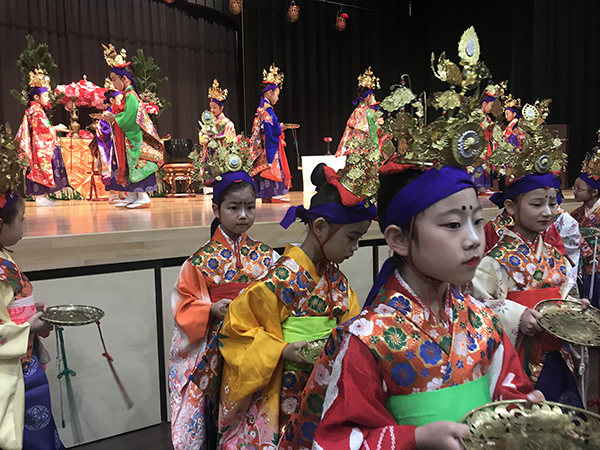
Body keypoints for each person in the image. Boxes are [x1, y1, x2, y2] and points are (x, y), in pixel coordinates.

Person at [279, 162, 543, 450]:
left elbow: (509, 388)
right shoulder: (368, 339)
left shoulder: (483, 320)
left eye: (478, 222)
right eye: (453, 224)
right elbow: (339, 441)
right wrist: (414, 440)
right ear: (399, 238)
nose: (473, 240)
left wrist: (521, 409)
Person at [209, 162, 376, 449]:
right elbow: (236, 329)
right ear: (321, 227)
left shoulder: (336, 280)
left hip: (325, 383)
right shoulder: (281, 279)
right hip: (284, 387)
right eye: (352, 237)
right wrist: (282, 350)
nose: (355, 248)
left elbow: (351, 328)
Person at [169, 137, 278, 450]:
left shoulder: (266, 256)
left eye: (249, 207)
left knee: (255, 405)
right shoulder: (199, 260)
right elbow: (183, 305)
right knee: (219, 407)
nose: (243, 215)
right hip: (219, 346)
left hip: (256, 342)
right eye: (234, 207)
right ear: (216, 208)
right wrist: (210, 309)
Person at [472, 170, 589, 407]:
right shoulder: (493, 261)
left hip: (556, 354)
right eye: (537, 204)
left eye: (553, 203)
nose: (547, 212)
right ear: (511, 207)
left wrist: (576, 309)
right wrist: (516, 316)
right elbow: (477, 308)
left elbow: (565, 297)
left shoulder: (556, 257)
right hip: (517, 359)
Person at [0, 149, 65, 450]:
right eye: (21, 220)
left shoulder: (4, 261)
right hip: (13, 368)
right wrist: (29, 325)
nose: (24, 227)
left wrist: (30, 313)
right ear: (2, 225)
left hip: (26, 361)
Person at [101, 44, 164, 209]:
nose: (113, 83)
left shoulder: (131, 97)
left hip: (134, 139)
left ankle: (142, 196)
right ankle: (133, 195)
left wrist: (115, 118)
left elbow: (129, 118)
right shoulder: (126, 96)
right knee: (129, 167)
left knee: (136, 166)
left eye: (115, 79)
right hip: (128, 138)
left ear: (125, 79)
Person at [16, 68, 70, 207]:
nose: (47, 98)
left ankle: (42, 196)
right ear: (36, 97)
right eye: (45, 96)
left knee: (41, 167)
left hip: (40, 143)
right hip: (39, 145)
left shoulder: (36, 110)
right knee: (40, 167)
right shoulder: (36, 111)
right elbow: (42, 130)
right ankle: (40, 196)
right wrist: (56, 128)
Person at [249, 63, 292, 203]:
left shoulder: (263, 109)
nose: (278, 98)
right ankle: (273, 194)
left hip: (265, 142)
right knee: (272, 166)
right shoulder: (266, 110)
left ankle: (268, 195)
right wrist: (279, 128)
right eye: (277, 95)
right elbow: (269, 127)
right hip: (268, 144)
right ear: (269, 93)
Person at [571, 150, 600, 307]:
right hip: (584, 266)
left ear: (594, 192)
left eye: (579, 188)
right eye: (574, 187)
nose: (574, 191)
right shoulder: (575, 215)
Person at [336, 66, 385, 157]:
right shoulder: (361, 111)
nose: (374, 99)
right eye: (372, 96)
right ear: (367, 96)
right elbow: (363, 130)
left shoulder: (368, 110)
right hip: (362, 150)